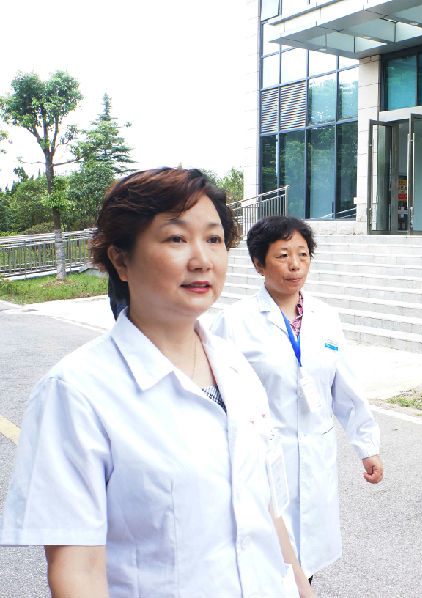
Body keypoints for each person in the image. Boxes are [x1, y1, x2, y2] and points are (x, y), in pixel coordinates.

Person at [0, 168, 314, 598]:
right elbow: (78, 573)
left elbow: (270, 513)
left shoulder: (236, 368)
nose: (202, 259)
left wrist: (303, 589)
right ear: (120, 260)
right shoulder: (76, 393)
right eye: (176, 238)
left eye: (214, 239)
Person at [210, 215, 382, 579]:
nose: (295, 265)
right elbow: (216, 398)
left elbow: (345, 389)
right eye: (283, 255)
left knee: (306, 556)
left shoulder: (326, 317)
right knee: (266, 558)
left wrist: (367, 446)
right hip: (259, 457)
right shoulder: (233, 322)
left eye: (303, 254)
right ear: (259, 263)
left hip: (315, 454)